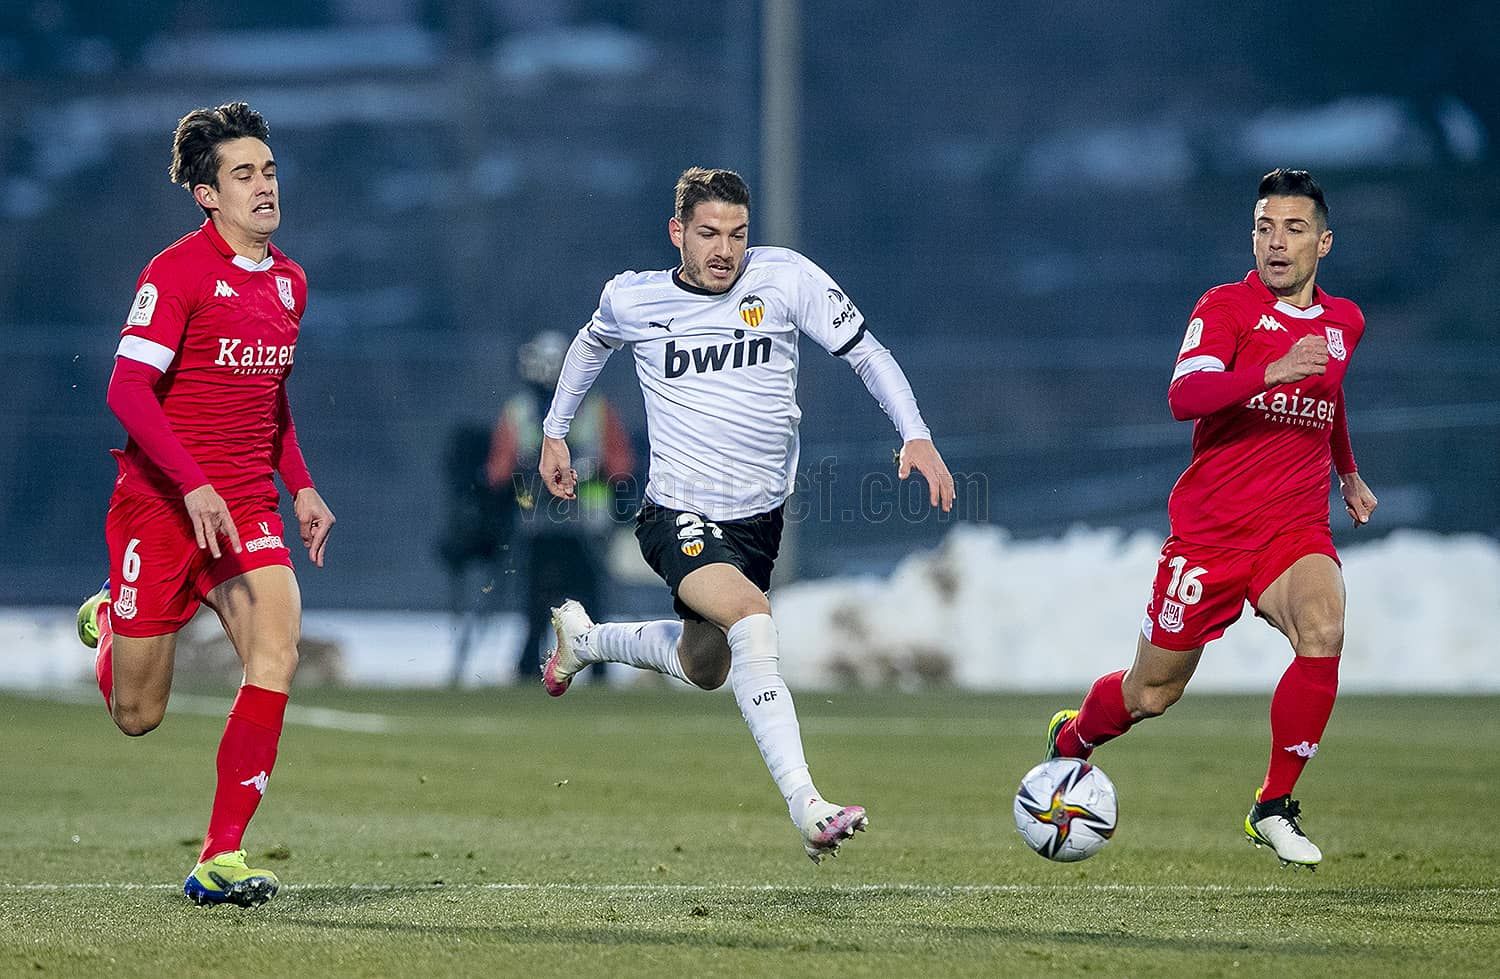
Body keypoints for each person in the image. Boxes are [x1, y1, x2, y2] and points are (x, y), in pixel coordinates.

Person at [537, 167, 956, 862]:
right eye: (707, 233)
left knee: (706, 666)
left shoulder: (786, 278)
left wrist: (915, 432)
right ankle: (808, 804)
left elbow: (866, 353)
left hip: (759, 521)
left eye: (737, 233)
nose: (724, 249)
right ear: (678, 233)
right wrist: (556, 429)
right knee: (753, 620)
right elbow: (590, 343)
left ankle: (585, 640)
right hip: (677, 511)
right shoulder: (634, 297)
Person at [1044, 169, 1378, 869]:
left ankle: (1273, 805)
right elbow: (1185, 394)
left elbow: (1331, 394)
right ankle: (1073, 737)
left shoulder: (1345, 320)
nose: (1275, 243)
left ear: (1324, 242)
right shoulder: (1226, 307)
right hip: (1209, 536)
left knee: (1324, 625)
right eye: (1263, 227)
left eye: (1292, 229)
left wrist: (1346, 470)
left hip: (1293, 528)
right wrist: (1270, 371)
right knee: (1152, 691)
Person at [73, 102, 335, 907]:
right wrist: (191, 481)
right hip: (162, 502)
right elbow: (127, 388)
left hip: (246, 504)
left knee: (276, 653)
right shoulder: (177, 272)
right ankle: (117, 616)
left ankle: (221, 853)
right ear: (207, 195)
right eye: (243, 175)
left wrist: (300, 484)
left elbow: (270, 399)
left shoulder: (290, 282)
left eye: (269, 170)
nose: (263, 186)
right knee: (138, 714)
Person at [485, 330, 633, 682]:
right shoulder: (520, 411)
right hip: (539, 526)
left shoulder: (596, 409)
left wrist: (590, 470)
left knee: (586, 600)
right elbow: (498, 473)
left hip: (586, 525)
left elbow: (620, 465)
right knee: (540, 602)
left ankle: (595, 669)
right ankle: (532, 666)